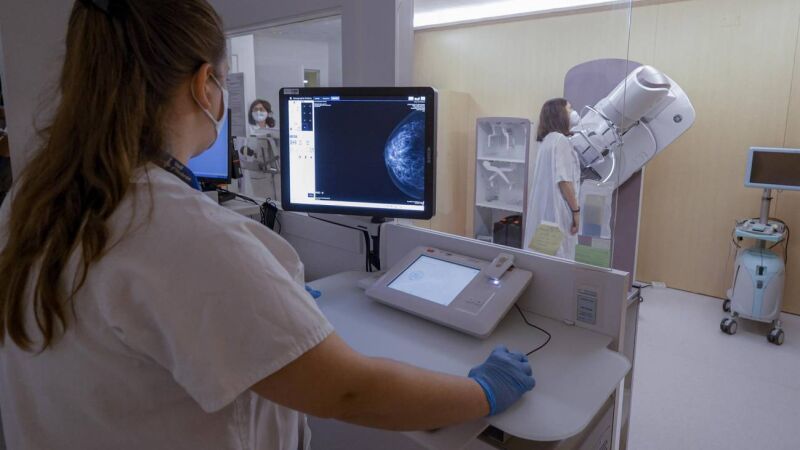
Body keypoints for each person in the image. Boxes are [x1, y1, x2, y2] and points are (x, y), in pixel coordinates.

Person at [0, 1, 534, 449]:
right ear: (205, 85)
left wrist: (263, 299)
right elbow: (348, 391)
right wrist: (481, 392)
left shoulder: (32, 199)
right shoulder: (178, 232)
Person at [525, 98, 582, 260]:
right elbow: (564, 181)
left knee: (545, 259)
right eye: (569, 109)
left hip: (546, 216)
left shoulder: (547, 141)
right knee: (560, 259)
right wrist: (576, 211)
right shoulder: (560, 140)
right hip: (558, 214)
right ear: (560, 114)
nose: (573, 113)